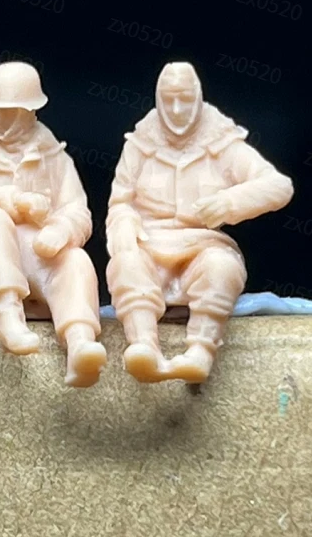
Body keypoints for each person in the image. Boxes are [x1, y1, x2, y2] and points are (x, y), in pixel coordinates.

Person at [106, 62, 294, 382]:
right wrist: (123, 222)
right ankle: (144, 347)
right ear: (158, 99)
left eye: (184, 98)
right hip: (150, 245)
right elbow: (120, 202)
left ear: (198, 96)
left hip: (203, 245)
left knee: (222, 267)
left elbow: (279, 186)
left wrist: (230, 202)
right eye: (169, 100)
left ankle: (200, 352)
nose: (177, 109)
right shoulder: (140, 145)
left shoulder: (222, 143)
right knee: (126, 265)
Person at [0, 61, 107, 387]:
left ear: (30, 111)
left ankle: (80, 344)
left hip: (37, 257)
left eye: (10, 112)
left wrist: (61, 231)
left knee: (75, 259)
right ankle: (8, 315)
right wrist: (11, 199)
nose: (0, 119)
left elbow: (78, 211)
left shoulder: (51, 154)